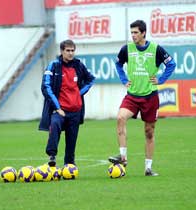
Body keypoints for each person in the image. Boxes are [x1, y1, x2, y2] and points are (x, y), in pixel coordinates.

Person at [108, 20, 176, 176]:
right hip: (132, 96)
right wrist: (124, 80)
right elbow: (118, 64)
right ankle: (123, 157)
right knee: (120, 118)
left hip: (150, 97)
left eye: (136, 32)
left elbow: (171, 64)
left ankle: (148, 168)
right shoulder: (127, 49)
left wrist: (161, 79)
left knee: (149, 132)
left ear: (144, 33)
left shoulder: (156, 49)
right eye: (131, 32)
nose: (133, 35)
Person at [39, 39, 95, 167]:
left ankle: (69, 165)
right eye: (67, 50)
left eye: (72, 50)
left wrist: (78, 94)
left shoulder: (79, 65)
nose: (70, 53)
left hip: (75, 110)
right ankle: (52, 156)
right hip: (60, 110)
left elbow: (91, 79)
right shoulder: (53, 66)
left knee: (71, 140)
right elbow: (46, 86)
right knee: (54, 125)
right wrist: (57, 107)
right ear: (62, 51)